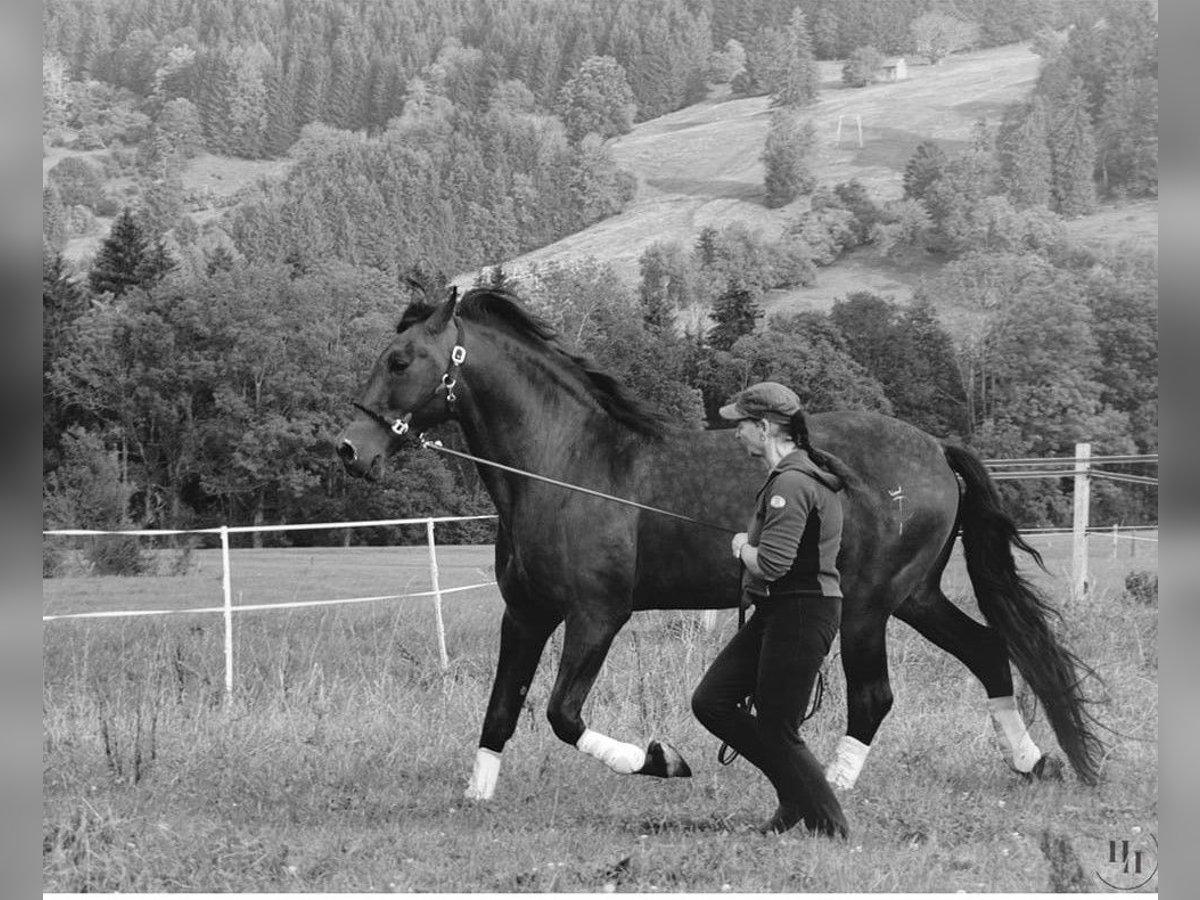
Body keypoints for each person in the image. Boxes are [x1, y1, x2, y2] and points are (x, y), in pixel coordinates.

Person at [691, 381, 849, 838]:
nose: (736, 433)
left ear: (764, 427)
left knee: (780, 730)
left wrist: (742, 547)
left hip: (802, 611)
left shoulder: (794, 484)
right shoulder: (790, 479)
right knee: (712, 701)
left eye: (740, 424)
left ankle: (831, 829)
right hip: (780, 612)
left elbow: (774, 564)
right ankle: (798, 792)